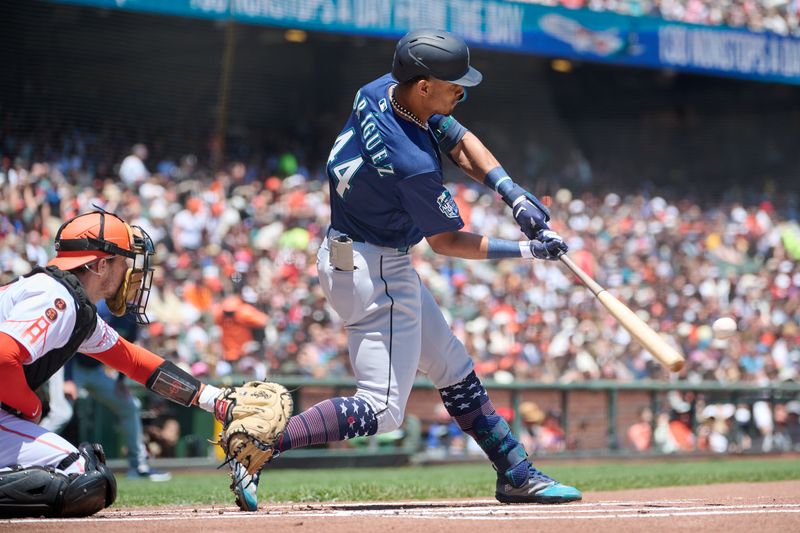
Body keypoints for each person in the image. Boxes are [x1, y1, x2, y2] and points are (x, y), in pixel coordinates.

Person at [232, 29, 581, 511]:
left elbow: (456, 138)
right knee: (383, 407)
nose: (462, 91)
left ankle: (516, 473)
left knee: (451, 364)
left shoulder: (378, 89)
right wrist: (527, 251)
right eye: (452, 84)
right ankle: (263, 442)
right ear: (422, 86)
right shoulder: (412, 162)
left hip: (345, 252)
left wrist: (511, 191)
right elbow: (446, 243)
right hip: (376, 269)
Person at [0, 210, 232, 517]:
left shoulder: (68, 300)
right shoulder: (56, 296)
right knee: (82, 478)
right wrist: (31, 407)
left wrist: (215, 400)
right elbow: (3, 355)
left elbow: (133, 361)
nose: (129, 270)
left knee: (87, 478)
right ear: (100, 265)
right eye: (124, 260)